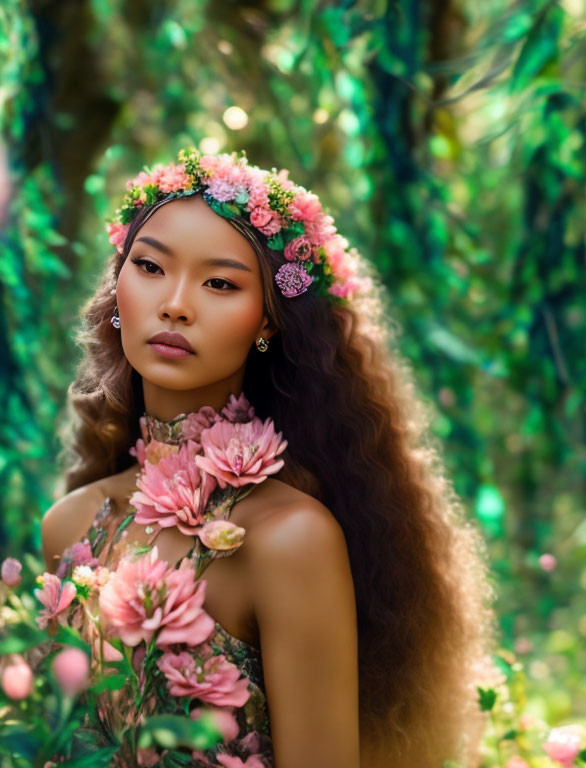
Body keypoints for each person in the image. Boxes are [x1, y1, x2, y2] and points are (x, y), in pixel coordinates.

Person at [40, 148, 498, 767]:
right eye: (149, 267)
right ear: (117, 290)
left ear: (269, 323)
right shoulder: (71, 526)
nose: (175, 303)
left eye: (220, 282)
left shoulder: (289, 538)